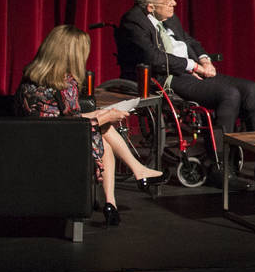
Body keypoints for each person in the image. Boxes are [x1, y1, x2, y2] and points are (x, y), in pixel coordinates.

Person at [115, 0, 255, 186]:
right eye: (168, 1)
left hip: (192, 70)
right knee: (228, 94)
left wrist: (204, 59)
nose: (174, 3)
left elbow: (189, 41)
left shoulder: (168, 16)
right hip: (167, 78)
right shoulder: (133, 22)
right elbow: (154, 57)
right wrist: (192, 66)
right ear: (150, 7)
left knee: (252, 89)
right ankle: (220, 168)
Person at [16, 24, 167, 227]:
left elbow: (64, 118)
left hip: (36, 136)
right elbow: (70, 125)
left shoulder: (32, 76)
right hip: (53, 143)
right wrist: (104, 118)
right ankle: (131, 179)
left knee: (103, 128)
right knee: (103, 131)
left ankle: (113, 200)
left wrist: (100, 114)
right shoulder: (64, 83)